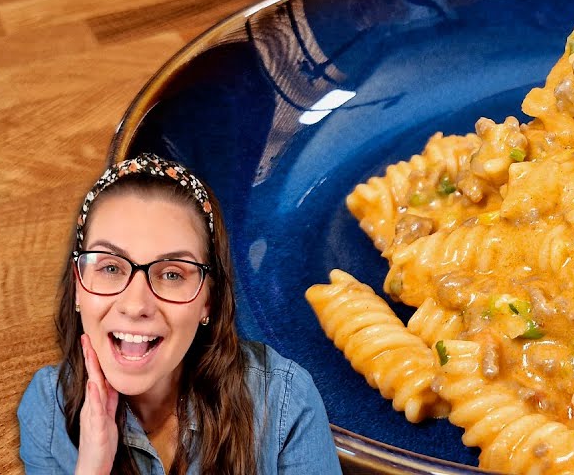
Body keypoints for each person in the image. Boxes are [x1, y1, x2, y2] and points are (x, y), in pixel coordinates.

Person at [17, 154, 343, 474]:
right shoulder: (49, 411)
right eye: (111, 267)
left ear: (209, 301)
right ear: (78, 286)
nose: (135, 305)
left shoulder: (286, 403)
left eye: (172, 274)